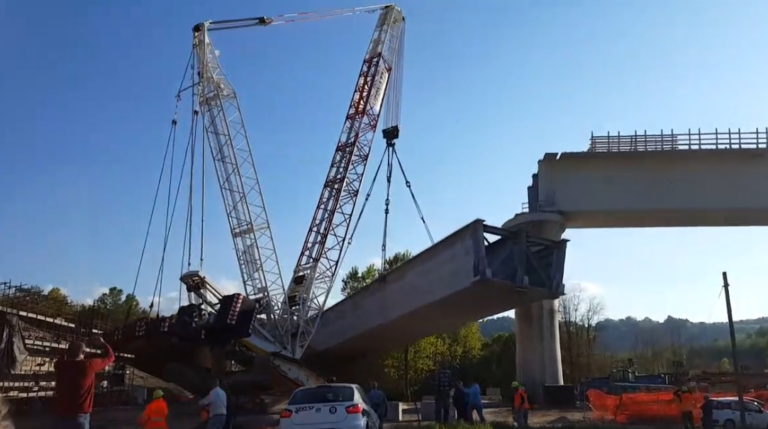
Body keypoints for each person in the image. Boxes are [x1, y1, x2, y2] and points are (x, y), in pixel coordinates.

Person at [53, 335, 115, 429]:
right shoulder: (88, 365)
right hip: (79, 416)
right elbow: (110, 357)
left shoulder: (59, 365)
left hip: (61, 414)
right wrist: (102, 343)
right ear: (83, 352)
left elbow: (62, 359)